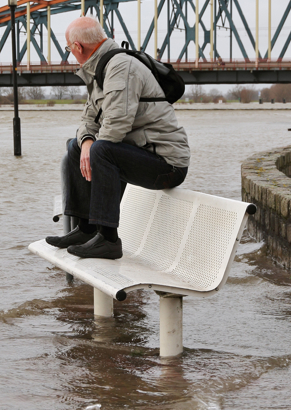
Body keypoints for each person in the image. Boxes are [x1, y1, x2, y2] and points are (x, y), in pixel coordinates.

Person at [45, 17, 190, 259]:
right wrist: (86, 142)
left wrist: (93, 146)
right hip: (141, 154)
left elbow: (116, 126)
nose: (71, 54)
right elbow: (88, 119)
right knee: (75, 146)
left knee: (102, 149)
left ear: (78, 47)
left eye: (70, 49)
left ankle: (109, 240)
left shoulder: (120, 67)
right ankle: (86, 229)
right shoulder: (100, 69)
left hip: (167, 164)